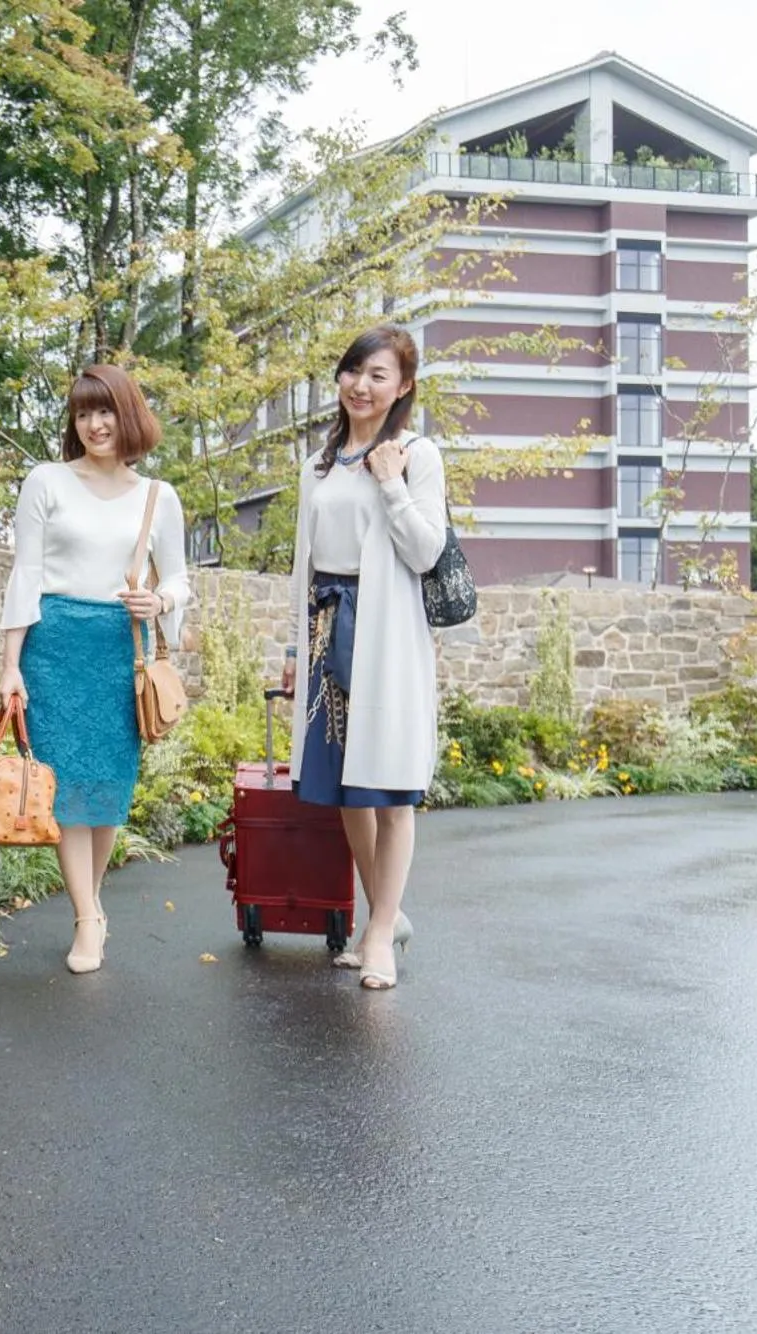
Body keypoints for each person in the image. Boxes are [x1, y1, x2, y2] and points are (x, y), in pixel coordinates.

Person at [0, 364, 192, 974]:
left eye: (105, 411)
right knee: (65, 791)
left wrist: (159, 602)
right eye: (83, 413)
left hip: (118, 649)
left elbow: (182, 579)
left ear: (128, 414)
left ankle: (94, 907)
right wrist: (10, 665)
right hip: (53, 649)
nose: (94, 424)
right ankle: (86, 918)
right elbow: (26, 574)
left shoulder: (158, 497)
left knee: (106, 792)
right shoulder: (46, 481)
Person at [280, 324, 447, 991]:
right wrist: (293, 646)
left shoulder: (416, 454)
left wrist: (391, 484)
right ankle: (386, 913)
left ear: (402, 387)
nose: (361, 385)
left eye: (378, 375)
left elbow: (426, 552)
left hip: (384, 632)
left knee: (387, 789)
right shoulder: (316, 464)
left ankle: (377, 932)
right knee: (345, 788)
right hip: (325, 629)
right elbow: (304, 560)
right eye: (353, 371)